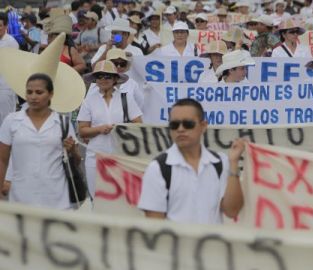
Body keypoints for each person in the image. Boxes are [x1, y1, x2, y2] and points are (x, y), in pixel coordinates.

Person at [138, 98, 245, 224]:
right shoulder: (158, 168)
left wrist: (233, 164)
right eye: (174, 125)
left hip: (213, 243)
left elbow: (232, 211)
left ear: (203, 126)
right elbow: (154, 226)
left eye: (188, 124)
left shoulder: (220, 162)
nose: (180, 129)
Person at [0, 73, 80, 208]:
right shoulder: (12, 121)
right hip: (21, 195)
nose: (33, 97)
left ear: (50, 94)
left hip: (57, 197)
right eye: (29, 92)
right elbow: (2, 159)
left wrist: (72, 149)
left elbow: (77, 161)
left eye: (39, 92)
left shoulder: (63, 123)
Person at [78, 60, 142, 195]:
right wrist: (99, 129)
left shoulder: (126, 98)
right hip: (95, 157)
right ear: (95, 79)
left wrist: (121, 129)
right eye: (99, 76)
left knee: (120, 199)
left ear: (115, 79)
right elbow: (82, 130)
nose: (103, 79)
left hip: (121, 157)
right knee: (96, 197)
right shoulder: (88, 101)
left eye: (107, 76)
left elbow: (139, 125)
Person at [0, 12, 19, 126]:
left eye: (0, 25)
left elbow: (14, 66)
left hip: (5, 87)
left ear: (6, 26)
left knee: (5, 120)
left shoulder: (11, 42)